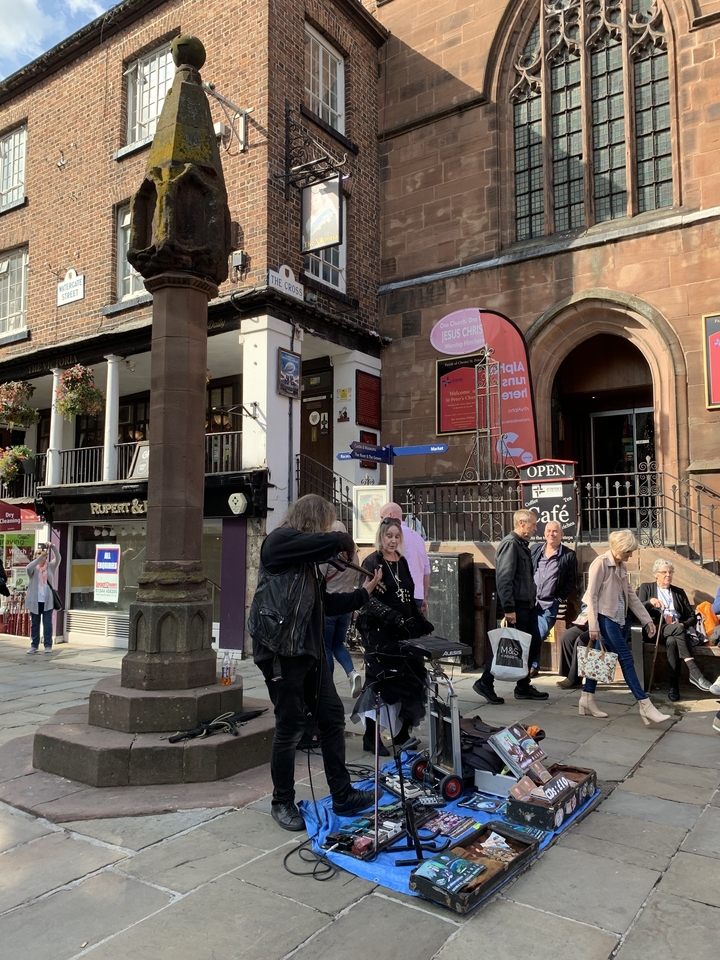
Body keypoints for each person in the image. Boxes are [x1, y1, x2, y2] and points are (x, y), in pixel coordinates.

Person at [248, 495, 383, 832]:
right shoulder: (278, 542)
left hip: (309, 651)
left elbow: (324, 603)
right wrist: (343, 543)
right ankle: (281, 801)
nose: (326, 531)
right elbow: (333, 541)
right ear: (313, 521)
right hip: (280, 651)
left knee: (332, 716)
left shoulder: (306, 562)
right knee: (291, 725)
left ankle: (342, 795)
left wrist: (363, 594)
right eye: (324, 525)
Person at [353, 517, 433, 756]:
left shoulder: (402, 561)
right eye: (389, 536)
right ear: (381, 536)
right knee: (382, 684)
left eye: (397, 536)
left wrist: (419, 620)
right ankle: (371, 736)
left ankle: (401, 733)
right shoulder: (372, 561)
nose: (393, 540)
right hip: (380, 633)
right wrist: (390, 616)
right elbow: (366, 598)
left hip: (404, 632)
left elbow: (407, 595)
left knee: (411, 679)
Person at [581, 530, 671, 725]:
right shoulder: (600, 563)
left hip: (619, 619)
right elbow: (592, 596)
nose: (631, 555)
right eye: (628, 551)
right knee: (626, 659)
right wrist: (593, 626)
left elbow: (631, 595)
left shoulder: (620, 566)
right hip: (605, 619)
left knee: (597, 658)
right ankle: (645, 705)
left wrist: (647, 620)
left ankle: (587, 698)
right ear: (619, 548)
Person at [474, 509, 548, 704]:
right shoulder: (510, 544)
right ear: (521, 523)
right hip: (517, 606)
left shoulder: (522, 545)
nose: (536, 528)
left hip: (528, 605)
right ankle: (485, 682)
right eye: (533, 524)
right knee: (509, 646)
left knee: (532, 643)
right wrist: (509, 609)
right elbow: (504, 579)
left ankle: (523, 686)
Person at [638, 560, 720, 700]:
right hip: (655, 630)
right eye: (664, 572)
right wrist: (650, 602)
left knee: (672, 642)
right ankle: (694, 671)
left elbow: (691, 617)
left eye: (670, 572)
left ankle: (674, 687)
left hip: (676, 632)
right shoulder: (647, 588)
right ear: (656, 574)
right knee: (677, 631)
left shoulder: (679, 592)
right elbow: (638, 608)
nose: (668, 575)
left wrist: (683, 624)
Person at [319, 521, 363, 697]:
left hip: (330, 606)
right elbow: (355, 579)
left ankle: (328, 687)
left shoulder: (329, 556)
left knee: (326, 647)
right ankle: (352, 672)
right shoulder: (354, 556)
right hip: (347, 607)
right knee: (338, 644)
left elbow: (319, 580)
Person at [529, 520, 577, 674]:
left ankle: (531, 665)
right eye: (548, 531)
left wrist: (559, 599)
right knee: (528, 634)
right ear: (544, 533)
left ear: (562, 534)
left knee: (539, 634)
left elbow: (571, 581)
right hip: (530, 601)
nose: (551, 534)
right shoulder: (535, 549)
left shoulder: (568, 555)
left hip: (549, 604)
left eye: (555, 531)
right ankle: (532, 666)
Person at [379, 502, 431, 614]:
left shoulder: (391, 537)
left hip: (399, 596)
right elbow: (426, 569)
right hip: (418, 595)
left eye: (382, 518)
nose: (381, 522)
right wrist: (424, 595)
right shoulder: (418, 537)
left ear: (391, 515)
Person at [25, 541, 61, 653]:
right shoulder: (33, 569)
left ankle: (48, 645)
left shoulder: (50, 566)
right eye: (38, 554)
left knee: (47, 624)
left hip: (47, 600)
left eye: (43, 554)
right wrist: (40, 557)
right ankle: (34, 645)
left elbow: (58, 558)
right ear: (35, 556)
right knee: (35, 624)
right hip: (35, 601)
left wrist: (53, 547)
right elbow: (28, 568)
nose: (41, 555)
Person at [556, 608, 590, 689]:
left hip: (605, 622)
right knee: (567, 636)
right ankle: (571, 675)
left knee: (581, 640)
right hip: (590, 620)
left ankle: (573, 679)